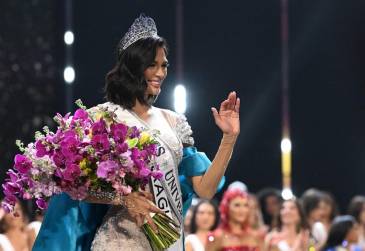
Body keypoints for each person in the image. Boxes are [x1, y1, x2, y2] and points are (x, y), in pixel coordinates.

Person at [33, 14, 239, 251]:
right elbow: (72, 185)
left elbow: (205, 189)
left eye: (164, 65)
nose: (160, 73)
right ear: (133, 67)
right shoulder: (103, 117)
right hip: (119, 240)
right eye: (152, 65)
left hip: (166, 241)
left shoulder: (173, 121)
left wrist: (229, 138)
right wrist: (123, 198)